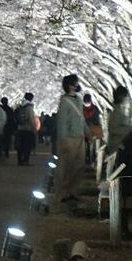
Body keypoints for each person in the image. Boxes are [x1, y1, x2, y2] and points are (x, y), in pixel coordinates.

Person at [54, 74, 89, 204]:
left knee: (78, 166)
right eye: (75, 83)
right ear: (70, 85)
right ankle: (62, 193)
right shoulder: (64, 101)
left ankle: (73, 191)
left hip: (79, 137)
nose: (77, 85)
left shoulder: (79, 100)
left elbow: (81, 119)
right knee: (65, 166)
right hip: (68, 138)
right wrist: (63, 139)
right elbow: (62, 122)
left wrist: (87, 133)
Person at [105, 86, 132, 158]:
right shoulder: (115, 111)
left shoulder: (119, 109)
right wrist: (130, 129)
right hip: (116, 146)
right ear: (121, 97)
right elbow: (113, 129)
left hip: (118, 145)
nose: (127, 99)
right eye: (126, 96)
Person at [14, 93, 39, 166]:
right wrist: (34, 128)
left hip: (20, 128)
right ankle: (25, 160)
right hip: (28, 129)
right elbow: (31, 119)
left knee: (20, 146)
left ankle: (19, 160)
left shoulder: (20, 106)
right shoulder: (29, 107)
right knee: (27, 146)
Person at [83, 93, 103, 166]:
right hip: (84, 131)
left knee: (93, 147)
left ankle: (92, 161)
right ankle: (86, 161)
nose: (87, 103)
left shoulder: (95, 109)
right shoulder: (82, 108)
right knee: (85, 147)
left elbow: (97, 120)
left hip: (93, 131)